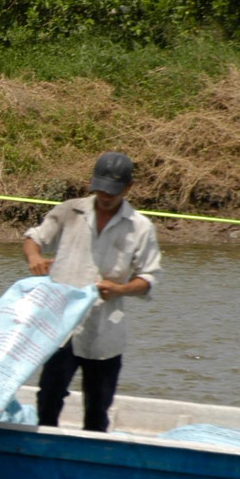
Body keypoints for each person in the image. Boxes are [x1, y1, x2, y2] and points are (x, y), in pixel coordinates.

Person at [22, 151, 163, 432]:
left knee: (98, 407)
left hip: (104, 332)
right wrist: (35, 259)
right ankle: (44, 452)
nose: (105, 196)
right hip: (63, 329)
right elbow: (33, 238)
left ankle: (92, 453)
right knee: (48, 396)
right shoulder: (69, 211)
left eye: (112, 191)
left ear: (128, 188)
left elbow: (149, 277)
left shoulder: (140, 227)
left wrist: (120, 288)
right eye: (100, 189)